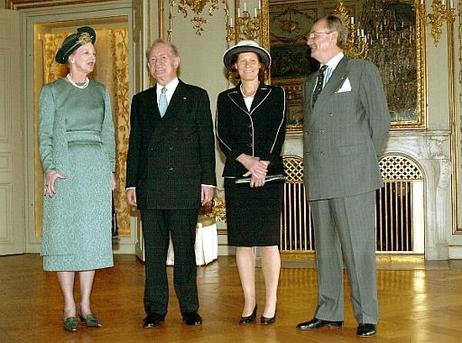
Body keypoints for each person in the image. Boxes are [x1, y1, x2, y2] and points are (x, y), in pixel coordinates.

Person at [295, 15, 390, 337]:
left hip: (352, 176)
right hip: (320, 176)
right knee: (325, 250)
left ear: (333, 36)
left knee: (358, 249)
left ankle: (367, 315)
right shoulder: (311, 82)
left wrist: (362, 162)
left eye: (314, 35)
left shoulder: (361, 70)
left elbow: (380, 122)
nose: (309, 41)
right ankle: (329, 311)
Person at [125, 39, 216, 328]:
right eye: (152, 59)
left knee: (185, 252)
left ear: (176, 61)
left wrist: (208, 182)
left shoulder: (196, 96)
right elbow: (135, 145)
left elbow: (206, 143)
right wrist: (131, 185)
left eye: (163, 58)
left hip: (184, 186)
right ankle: (155, 309)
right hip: (150, 188)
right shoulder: (140, 101)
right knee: (153, 254)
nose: (157, 63)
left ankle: (189, 308)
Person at [38, 26, 115, 332]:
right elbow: (44, 136)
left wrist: (109, 169)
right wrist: (50, 168)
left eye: (94, 54)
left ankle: (86, 303)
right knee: (66, 238)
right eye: (86, 53)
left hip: (94, 168)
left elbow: (108, 133)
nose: (91, 58)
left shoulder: (100, 92)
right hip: (66, 169)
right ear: (71, 58)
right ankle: (69, 305)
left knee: (91, 238)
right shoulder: (52, 91)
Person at [216, 40, 286, 325]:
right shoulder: (225, 98)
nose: (247, 65)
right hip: (237, 175)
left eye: (252, 60)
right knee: (243, 243)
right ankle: (249, 301)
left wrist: (263, 165)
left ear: (261, 66)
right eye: (242, 61)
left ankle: (270, 302)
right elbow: (221, 136)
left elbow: (279, 129)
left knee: (268, 242)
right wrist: (246, 161)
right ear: (235, 67)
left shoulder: (277, 94)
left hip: (270, 175)